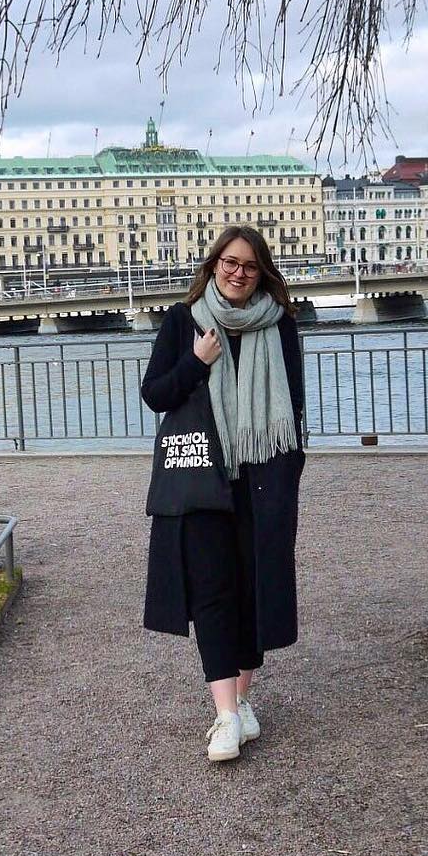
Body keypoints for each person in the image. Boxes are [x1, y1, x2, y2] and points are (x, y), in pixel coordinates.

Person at [141, 225, 305, 762]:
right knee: (212, 592)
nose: (238, 273)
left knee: (256, 588)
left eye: (250, 266)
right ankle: (226, 715)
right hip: (202, 475)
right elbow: (155, 395)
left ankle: (242, 698)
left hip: (264, 477)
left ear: (263, 273)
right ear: (213, 265)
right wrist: (197, 361)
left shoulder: (280, 326)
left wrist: (290, 472)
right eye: (230, 263)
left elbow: (295, 408)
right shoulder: (183, 321)